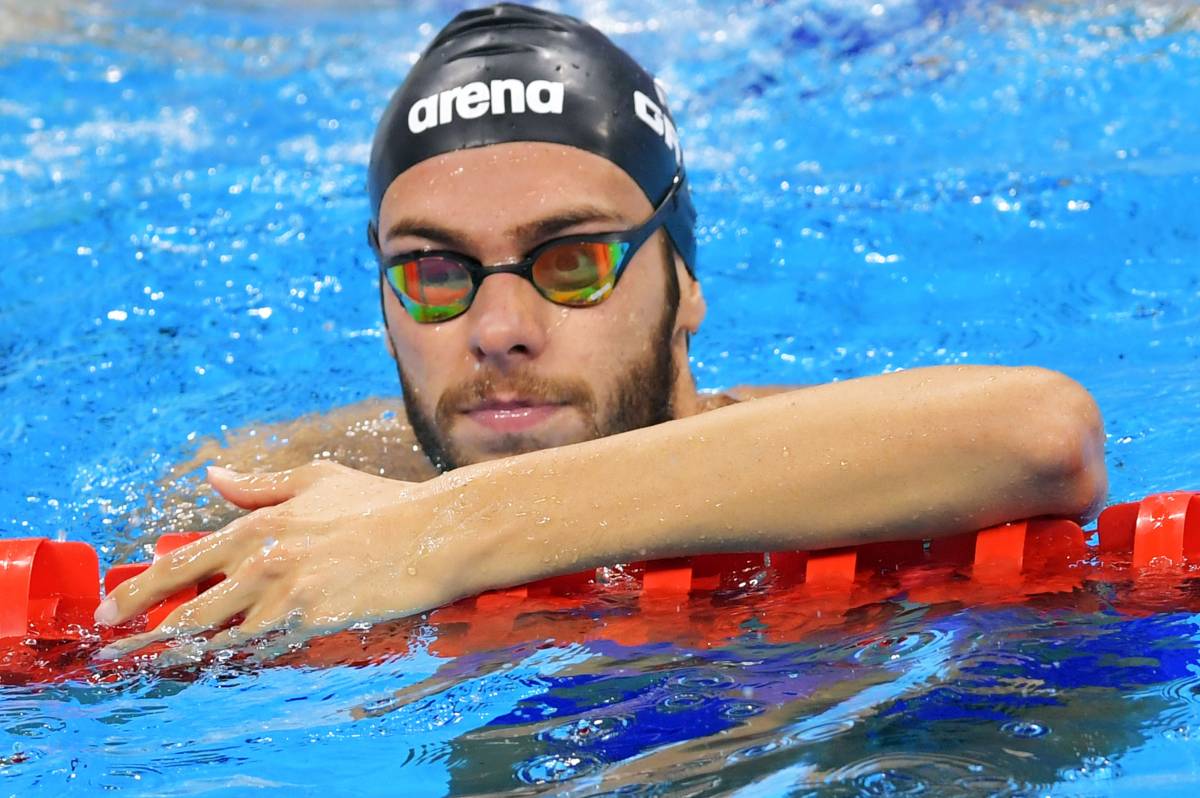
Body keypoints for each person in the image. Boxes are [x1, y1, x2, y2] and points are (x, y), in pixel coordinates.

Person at [94, 3, 1106, 656]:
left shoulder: (817, 448)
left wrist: (441, 532)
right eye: (435, 272)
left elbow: (1041, 437)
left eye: (571, 261)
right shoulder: (296, 481)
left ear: (687, 282)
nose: (498, 329)